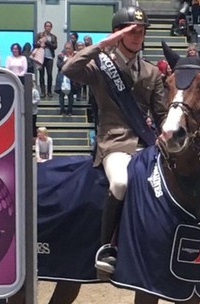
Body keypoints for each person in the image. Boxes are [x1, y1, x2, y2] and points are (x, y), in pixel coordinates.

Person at [61, 6, 167, 277]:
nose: (137, 36)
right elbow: (68, 69)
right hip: (114, 142)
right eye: (131, 31)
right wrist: (102, 45)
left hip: (145, 144)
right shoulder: (99, 67)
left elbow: (161, 115)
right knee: (120, 182)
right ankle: (106, 247)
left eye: (141, 32)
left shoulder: (152, 72)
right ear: (117, 34)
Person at [36, 21, 58, 98]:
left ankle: (49, 91)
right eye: (47, 26)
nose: (48, 27)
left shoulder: (53, 37)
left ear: (51, 28)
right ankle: (42, 91)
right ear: (44, 27)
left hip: (49, 57)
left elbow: (55, 46)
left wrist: (47, 42)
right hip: (40, 57)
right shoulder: (40, 35)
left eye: (49, 26)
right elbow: (35, 44)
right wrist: (40, 44)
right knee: (41, 74)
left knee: (49, 74)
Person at [55, 42, 76, 116]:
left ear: (72, 49)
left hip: (71, 77)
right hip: (62, 76)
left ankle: (70, 110)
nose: (67, 50)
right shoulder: (60, 56)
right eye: (66, 48)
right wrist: (67, 60)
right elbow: (59, 66)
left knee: (71, 95)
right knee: (61, 95)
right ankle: (62, 110)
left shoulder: (75, 56)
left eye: (69, 48)